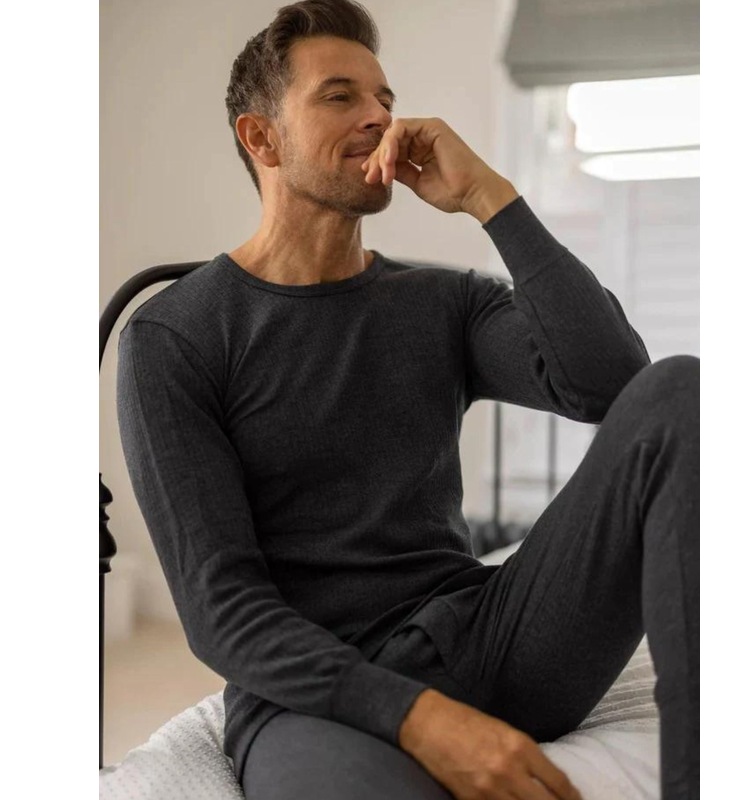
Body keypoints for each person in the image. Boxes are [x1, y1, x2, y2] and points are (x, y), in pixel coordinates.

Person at [116, 1, 699, 798]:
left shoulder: (443, 302)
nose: (379, 116)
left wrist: (491, 197)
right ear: (262, 139)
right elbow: (223, 611)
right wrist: (422, 719)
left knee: (678, 392)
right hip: (316, 694)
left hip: (487, 639)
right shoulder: (176, 336)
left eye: (384, 98)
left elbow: (611, 382)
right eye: (340, 96)